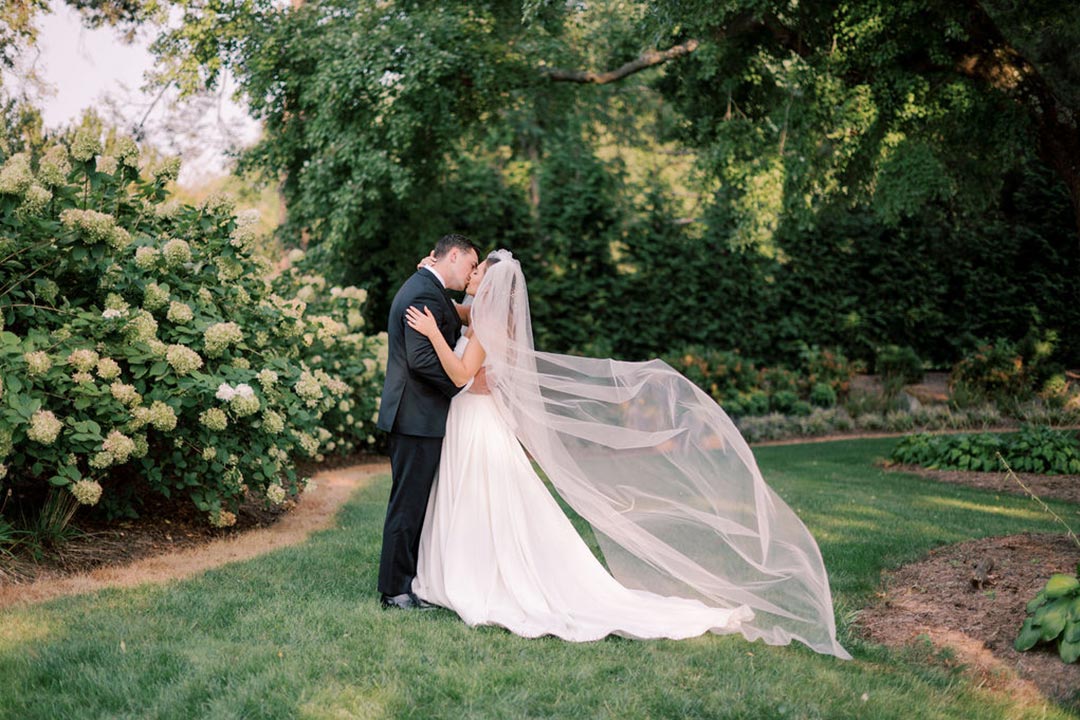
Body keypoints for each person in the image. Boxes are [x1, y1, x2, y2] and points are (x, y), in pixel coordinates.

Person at [404, 249, 851, 657]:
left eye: (478, 270)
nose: (472, 274)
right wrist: (434, 290)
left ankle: (478, 577)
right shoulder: (482, 313)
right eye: (472, 267)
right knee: (475, 499)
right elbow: (460, 317)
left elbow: (463, 369)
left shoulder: (484, 320)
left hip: (478, 423)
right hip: (471, 421)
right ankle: (462, 569)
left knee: (484, 499)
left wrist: (431, 333)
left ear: (494, 284)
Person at [375, 233, 479, 610]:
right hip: (415, 415)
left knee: (414, 502)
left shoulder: (428, 287)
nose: (470, 276)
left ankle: (406, 582)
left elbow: (453, 317)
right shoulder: (423, 293)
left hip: (415, 414)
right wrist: (461, 385)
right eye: (470, 265)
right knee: (408, 503)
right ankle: (395, 591)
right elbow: (421, 361)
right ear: (453, 255)